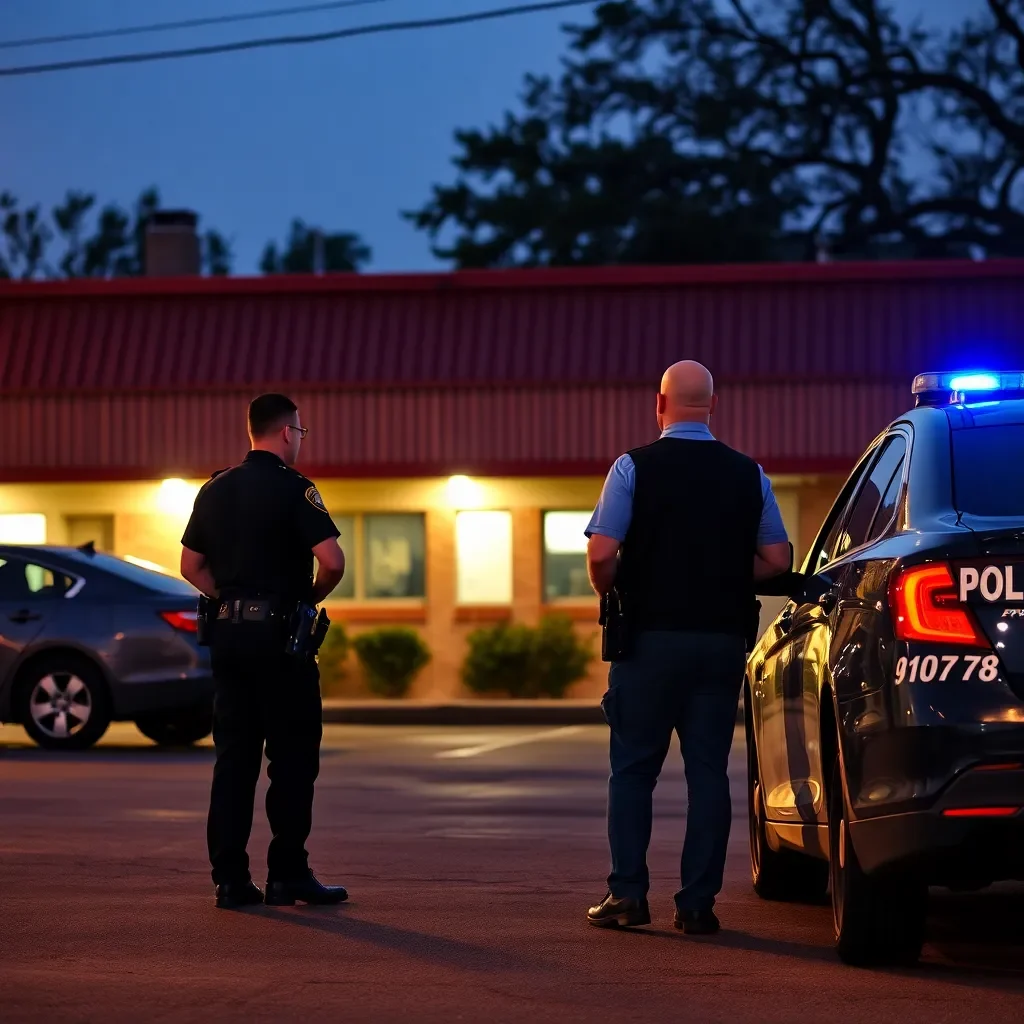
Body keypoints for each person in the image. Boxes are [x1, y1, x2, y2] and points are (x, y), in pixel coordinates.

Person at [584, 360, 790, 935]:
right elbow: (779, 561)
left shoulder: (632, 468)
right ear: (712, 407)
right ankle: (697, 905)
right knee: (708, 774)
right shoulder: (749, 474)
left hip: (647, 643)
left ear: (660, 404)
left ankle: (628, 896)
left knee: (632, 772)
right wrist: (722, 571)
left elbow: (602, 555)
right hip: (720, 642)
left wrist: (616, 586)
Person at [180, 393, 348, 910]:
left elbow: (190, 565)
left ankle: (230, 881)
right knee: (293, 758)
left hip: (229, 642)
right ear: (285, 433)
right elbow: (333, 561)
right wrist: (304, 600)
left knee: (234, 759)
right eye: (299, 432)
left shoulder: (214, 489)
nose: (299, 440)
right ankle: (287, 876)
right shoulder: (295, 489)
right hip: (281, 645)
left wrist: (231, 600)